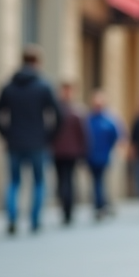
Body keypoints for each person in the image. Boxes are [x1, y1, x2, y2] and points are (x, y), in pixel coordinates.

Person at [0, 45, 60, 235]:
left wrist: (6, 135)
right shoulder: (43, 86)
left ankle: (12, 218)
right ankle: (35, 220)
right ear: (37, 63)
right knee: (39, 182)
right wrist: (49, 136)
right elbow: (57, 115)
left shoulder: (9, 86)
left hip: (14, 142)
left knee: (14, 182)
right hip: (38, 142)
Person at [51, 82, 87, 226]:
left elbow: (83, 134)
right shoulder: (57, 109)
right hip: (58, 151)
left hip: (72, 152)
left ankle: (68, 209)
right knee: (62, 181)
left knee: (68, 181)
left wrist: (83, 151)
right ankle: (65, 208)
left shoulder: (77, 110)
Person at [86, 91, 120, 220]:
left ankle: (101, 205)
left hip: (104, 156)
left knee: (99, 182)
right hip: (91, 156)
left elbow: (114, 137)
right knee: (97, 182)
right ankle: (101, 205)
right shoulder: (89, 119)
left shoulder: (108, 120)